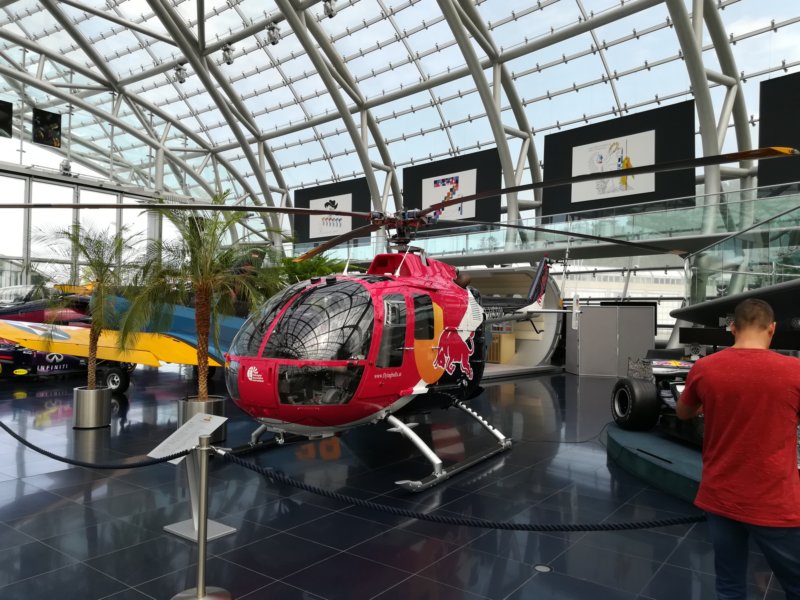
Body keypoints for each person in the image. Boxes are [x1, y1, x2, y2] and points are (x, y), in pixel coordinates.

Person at [677, 298, 800, 599]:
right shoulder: (795, 370)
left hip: (721, 497)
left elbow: (683, 412)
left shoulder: (705, 368)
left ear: (732, 327)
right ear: (772, 328)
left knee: (728, 586)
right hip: (775, 502)